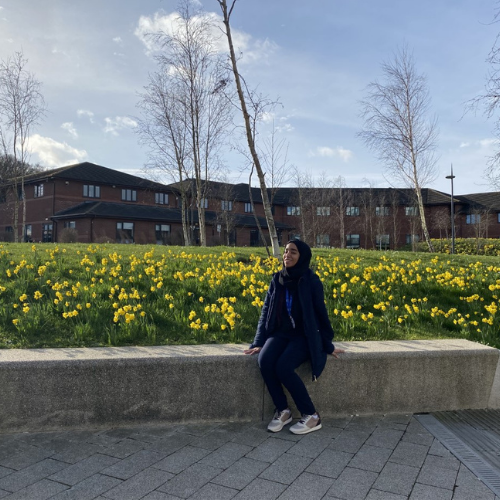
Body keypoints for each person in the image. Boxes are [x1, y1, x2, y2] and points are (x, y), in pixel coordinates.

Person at [244, 240, 345, 435]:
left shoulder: (311, 281)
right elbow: (266, 311)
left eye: (293, 252)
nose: (287, 255)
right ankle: (283, 410)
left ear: (303, 257)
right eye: (286, 252)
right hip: (280, 333)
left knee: (283, 367)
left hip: (303, 336)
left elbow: (320, 314)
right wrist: (258, 342)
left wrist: (327, 345)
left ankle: (312, 415)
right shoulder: (277, 279)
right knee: (264, 360)